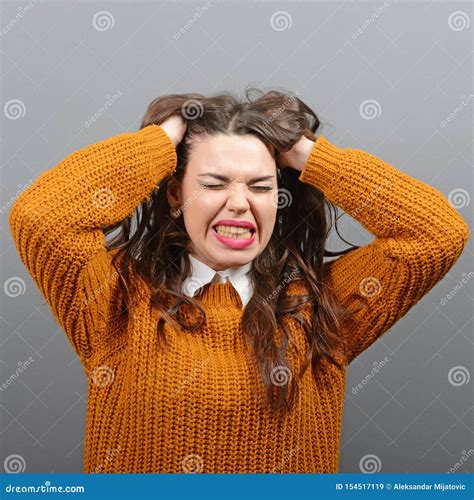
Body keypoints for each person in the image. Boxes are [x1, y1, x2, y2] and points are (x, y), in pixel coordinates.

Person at [8, 88, 469, 473]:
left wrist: (306, 153)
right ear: (175, 194)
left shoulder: (317, 303)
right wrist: (161, 140)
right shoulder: (115, 298)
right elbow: (42, 216)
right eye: (214, 183)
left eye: (260, 186)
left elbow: (435, 234)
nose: (239, 203)